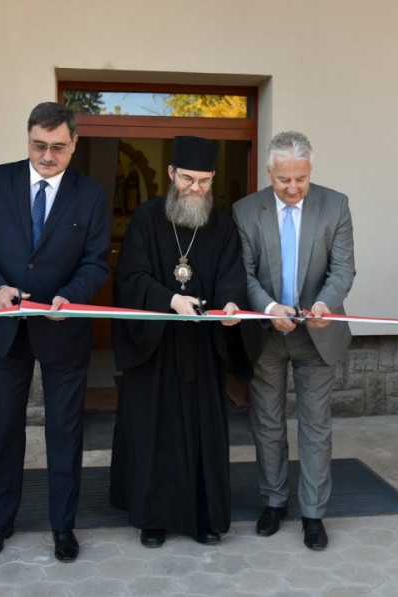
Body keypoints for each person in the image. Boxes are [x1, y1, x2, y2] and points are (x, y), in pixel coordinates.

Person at [0, 102, 110, 562]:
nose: (47, 156)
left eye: (58, 147)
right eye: (38, 145)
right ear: (28, 138)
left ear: (74, 144)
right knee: (5, 426)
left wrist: (70, 295)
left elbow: (96, 263)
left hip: (63, 329)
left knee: (64, 430)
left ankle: (63, 526)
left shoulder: (91, 195)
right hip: (7, 327)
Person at [110, 136, 246, 547]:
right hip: (156, 348)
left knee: (202, 432)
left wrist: (230, 306)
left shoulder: (223, 225)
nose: (195, 188)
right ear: (171, 174)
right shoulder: (147, 219)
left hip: (201, 349)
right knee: (155, 431)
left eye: (204, 181)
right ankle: (152, 519)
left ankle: (204, 518)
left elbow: (232, 276)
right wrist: (170, 300)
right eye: (187, 179)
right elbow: (130, 276)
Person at [233, 131, 355, 551]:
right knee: (267, 423)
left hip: (316, 334)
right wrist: (269, 308)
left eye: (301, 178)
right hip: (267, 334)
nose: (292, 187)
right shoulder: (245, 210)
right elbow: (244, 273)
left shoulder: (335, 205)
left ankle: (313, 513)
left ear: (310, 171)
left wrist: (324, 304)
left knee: (315, 425)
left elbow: (343, 269)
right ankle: (274, 501)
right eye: (284, 179)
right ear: (269, 172)